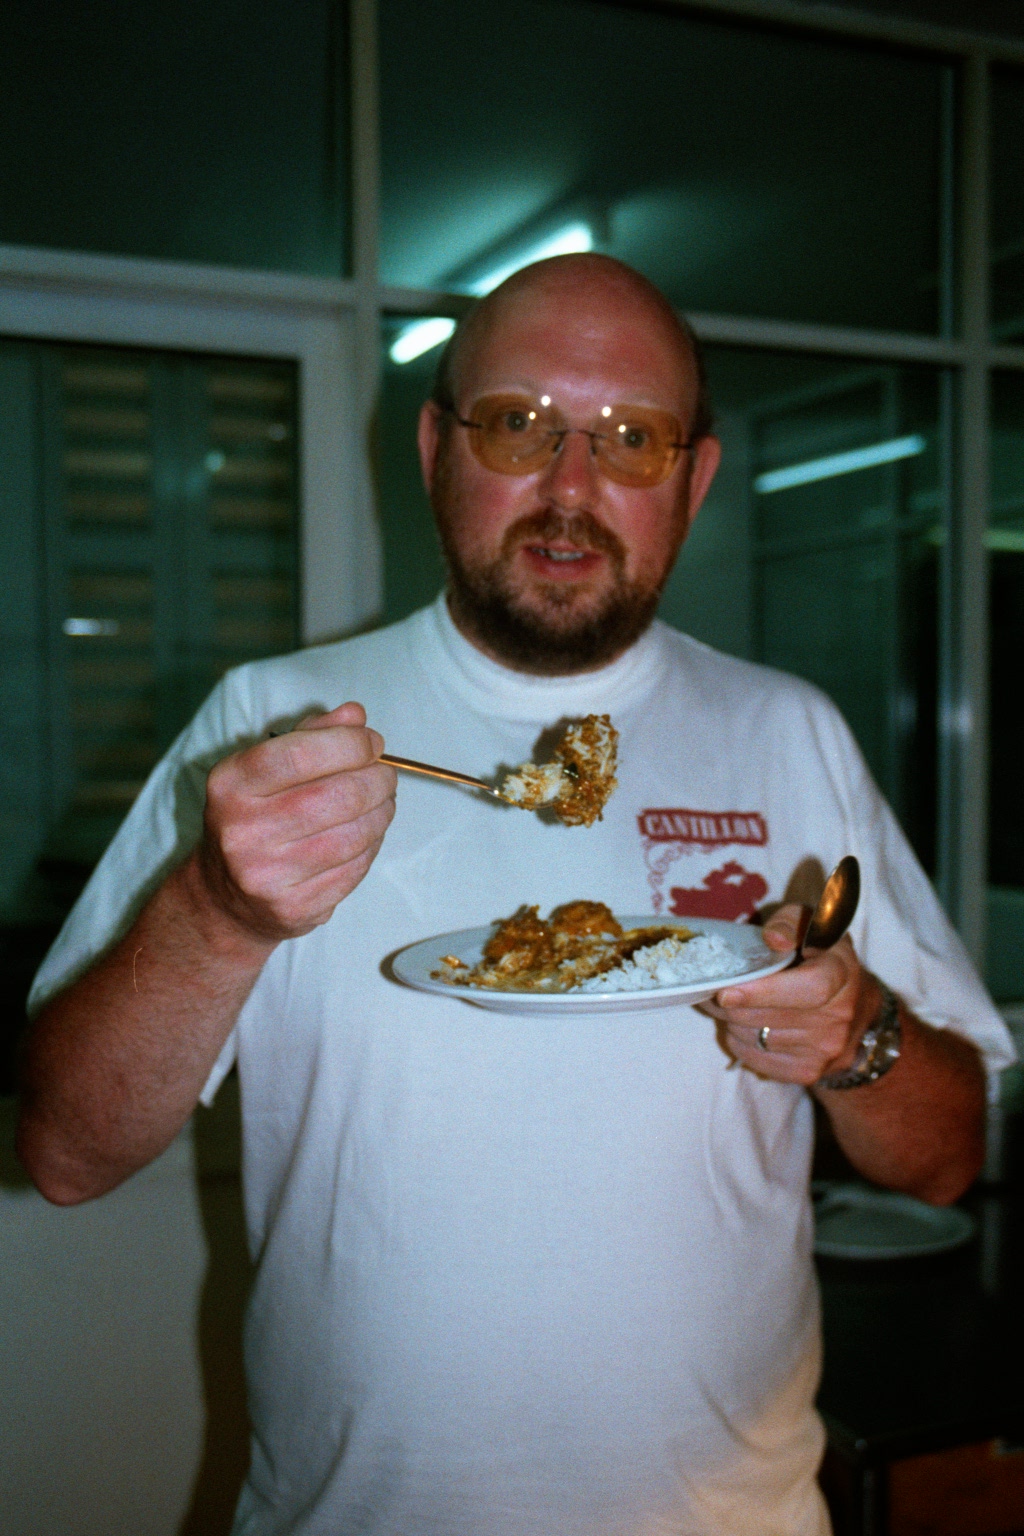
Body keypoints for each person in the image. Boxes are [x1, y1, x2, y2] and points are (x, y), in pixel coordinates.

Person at [18, 254, 1013, 1535]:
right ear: (437, 447)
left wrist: (854, 1034)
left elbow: (946, 1160)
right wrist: (215, 912)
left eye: (632, 437)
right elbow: (64, 1154)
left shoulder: (789, 731)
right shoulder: (268, 727)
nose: (571, 486)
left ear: (696, 479)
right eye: (518, 422)